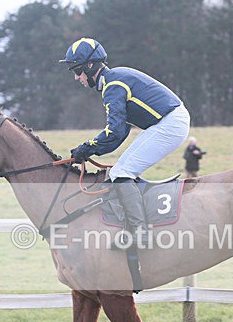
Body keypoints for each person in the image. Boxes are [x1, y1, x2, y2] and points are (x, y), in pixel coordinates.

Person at [60, 37, 190, 248]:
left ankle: (139, 234)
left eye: (77, 71)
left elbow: (115, 131)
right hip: (170, 121)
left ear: (90, 66)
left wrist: (87, 148)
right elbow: (120, 134)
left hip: (170, 123)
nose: (76, 78)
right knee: (120, 170)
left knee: (121, 173)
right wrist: (90, 149)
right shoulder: (113, 80)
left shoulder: (113, 85)